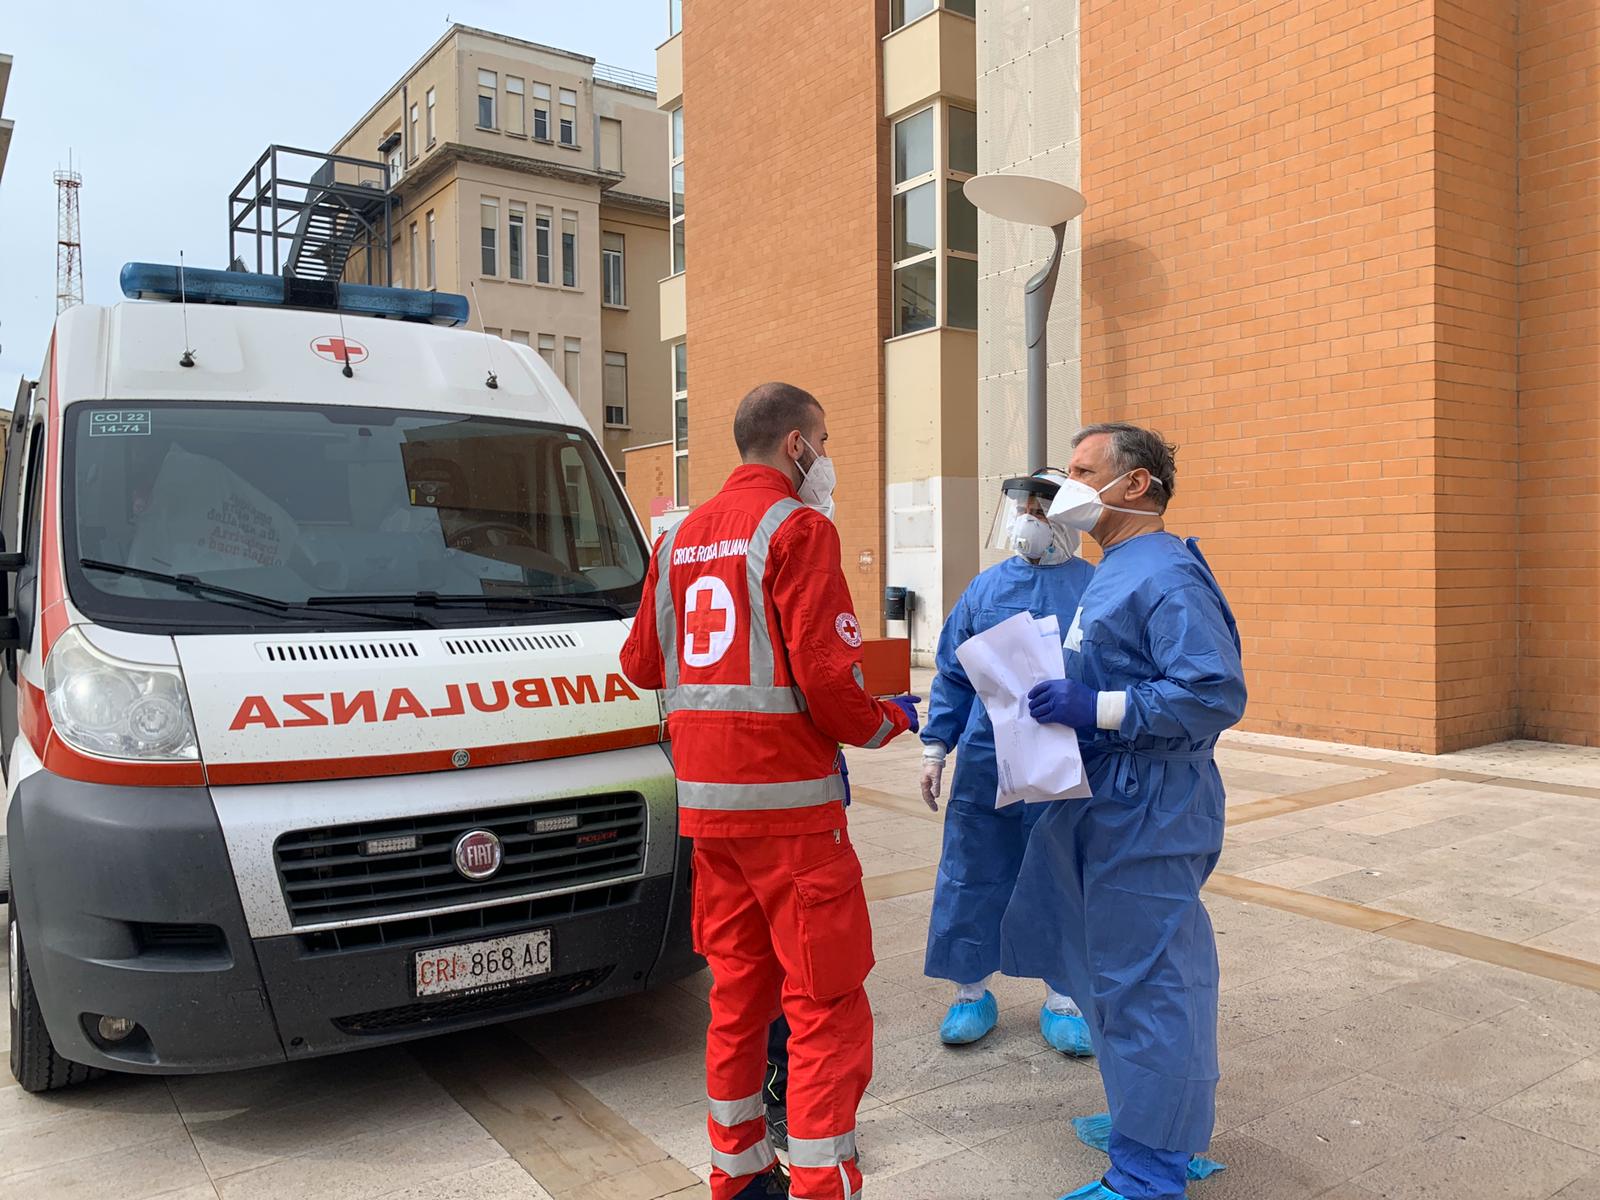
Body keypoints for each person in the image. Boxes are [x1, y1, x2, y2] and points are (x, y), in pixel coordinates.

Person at [621, 382, 919, 1200]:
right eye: (822, 442)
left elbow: (640, 665)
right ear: (794, 445)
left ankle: (738, 1173)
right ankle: (820, 1182)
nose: (825, 459)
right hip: (792, 816)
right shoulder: (799, 528)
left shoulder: (677, 540)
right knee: (823, 1002)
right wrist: (887, 717)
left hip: (712, 819)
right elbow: (831, 683)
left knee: (738, 999)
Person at [1000, 423, 1246, 1200]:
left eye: (1081, 470)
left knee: (1149, 981)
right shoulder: (1118, 568)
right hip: (1113, 800)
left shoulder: (1165, 575)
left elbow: (1213, 691)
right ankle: (1152, 1118)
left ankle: (1151, 1166)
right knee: (1123, 972)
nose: (1063, 485)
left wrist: (1095, 706)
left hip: (1153, 806)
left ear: (1134, 485)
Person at [919, 470, 1097, 1053]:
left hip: (1061, 761)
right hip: (984, 759)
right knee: (973, 869)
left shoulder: (1095, 588)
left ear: (1066, 520)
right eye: (1023, 507)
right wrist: (935, 748)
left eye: (1040, 509)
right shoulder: (985, 588)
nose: (1028, 519)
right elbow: (952, 672)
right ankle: (971, 992)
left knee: (1060, 875)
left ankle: (1065, 998)